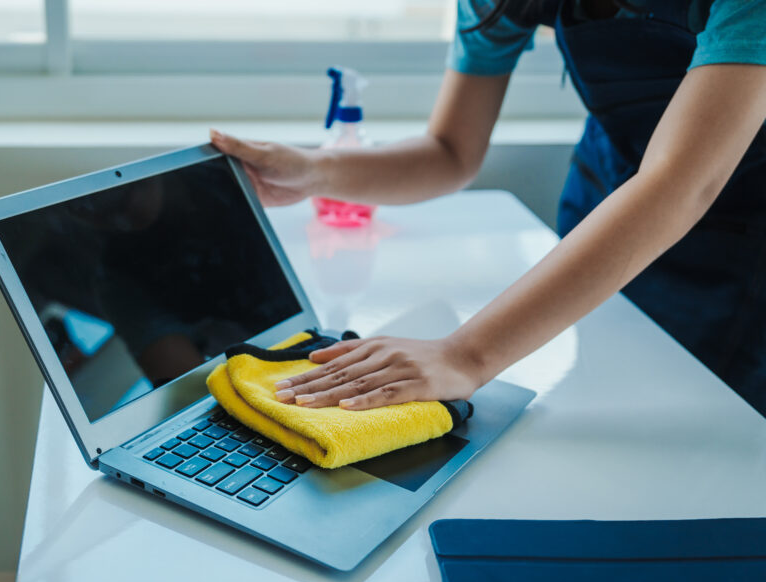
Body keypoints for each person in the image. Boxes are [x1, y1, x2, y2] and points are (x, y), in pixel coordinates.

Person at [210, 0, 766, 416]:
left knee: (708, 431)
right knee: (598, 397)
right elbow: (449, 152)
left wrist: (465, 354)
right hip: (608, 206)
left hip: (743, 240)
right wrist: (314, 171)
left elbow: (677, 185)